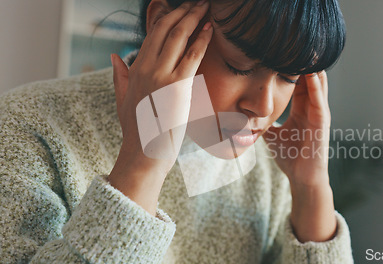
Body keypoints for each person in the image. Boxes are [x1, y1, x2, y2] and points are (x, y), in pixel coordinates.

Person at [0, 0, 353, 263]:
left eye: (289, 77)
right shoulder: (27, 124)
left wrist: (310, 188)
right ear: (164, 26)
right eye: (238, 66)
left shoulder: (271, 168)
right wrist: (142, 163)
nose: (263, 108)